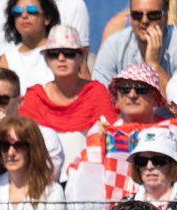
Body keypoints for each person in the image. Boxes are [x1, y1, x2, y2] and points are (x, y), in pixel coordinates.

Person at [64, 63, 177, 210]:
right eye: (124, 89)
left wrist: (171, 161)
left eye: (141, 89)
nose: (132, 95)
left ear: (155, 96)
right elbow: (82, 186)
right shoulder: (101, 134)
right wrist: (99, 144)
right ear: (117, 97)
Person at [19, 25, 113, 165]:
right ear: (47, 59)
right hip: (43, 174)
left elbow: (111, 137)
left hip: (88, 171)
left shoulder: (96, 92)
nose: (61, 58)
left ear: (81, 57)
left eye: (69, 53)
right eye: (54, 53)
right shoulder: (35, 96)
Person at [93, 0, 177, 88]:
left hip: (167, 109)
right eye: (137, 15)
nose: (144, 21)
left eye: (153, 15)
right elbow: (98, 94)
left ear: (165, 17)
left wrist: (154, 65)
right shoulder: (114, 44)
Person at [0, 0, 59, 91]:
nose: (24, 16)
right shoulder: (5, 60)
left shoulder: (66, 53)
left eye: (32, 11)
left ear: (47, 18)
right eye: (17, 12)